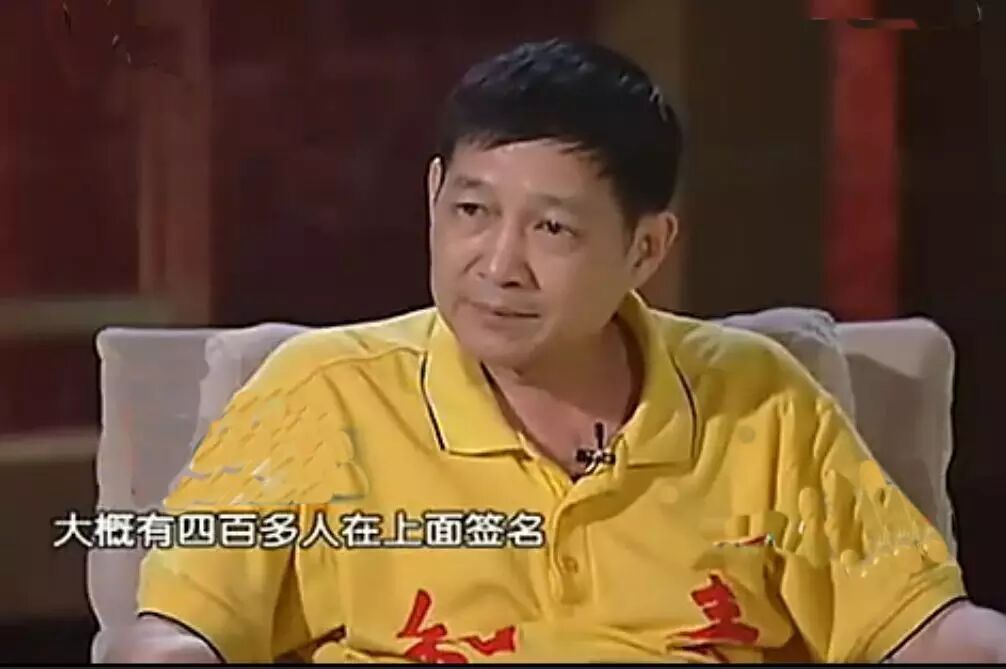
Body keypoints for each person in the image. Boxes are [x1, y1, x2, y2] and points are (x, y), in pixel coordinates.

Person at [105, 38, 1006, 663]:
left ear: (646, 249)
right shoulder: (322, 395)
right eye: (472, 210)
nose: (498, 264)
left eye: (552, 229)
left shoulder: (756, 399)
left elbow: (923, 631)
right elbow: (178, 631)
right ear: (432, 195)